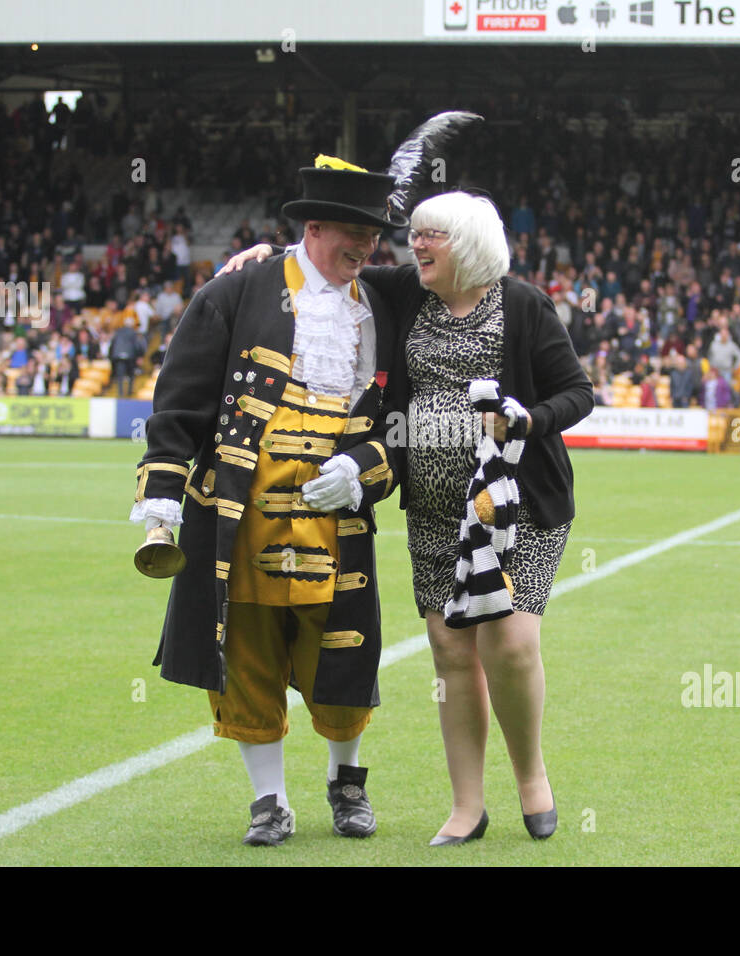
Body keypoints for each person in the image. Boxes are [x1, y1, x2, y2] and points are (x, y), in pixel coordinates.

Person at [222, 190, 593, 845]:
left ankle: (531, 777)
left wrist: (527, 419)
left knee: (508, 641)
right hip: (432, 509)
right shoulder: (407, 293)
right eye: (415, 234)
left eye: (432, 237)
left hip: (519, 506)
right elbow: (333, 260)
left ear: (470, 243)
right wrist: (265, 257)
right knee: (452, 652)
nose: (414, 245)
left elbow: (578, 393)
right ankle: (467, 807)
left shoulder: (524, 304)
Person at [132, 157, 403, 848]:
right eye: (353, 234)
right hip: (240, 517)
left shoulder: (383, 304)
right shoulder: (237, 289)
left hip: (335, 518)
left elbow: (398, 425)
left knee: (342, 655)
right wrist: (160, 503)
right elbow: (181, 401)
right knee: (247, 657)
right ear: (312, 228)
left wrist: (365, 469)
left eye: (374, 238)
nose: (366, 249)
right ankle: (269, 801)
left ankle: (348, 786)